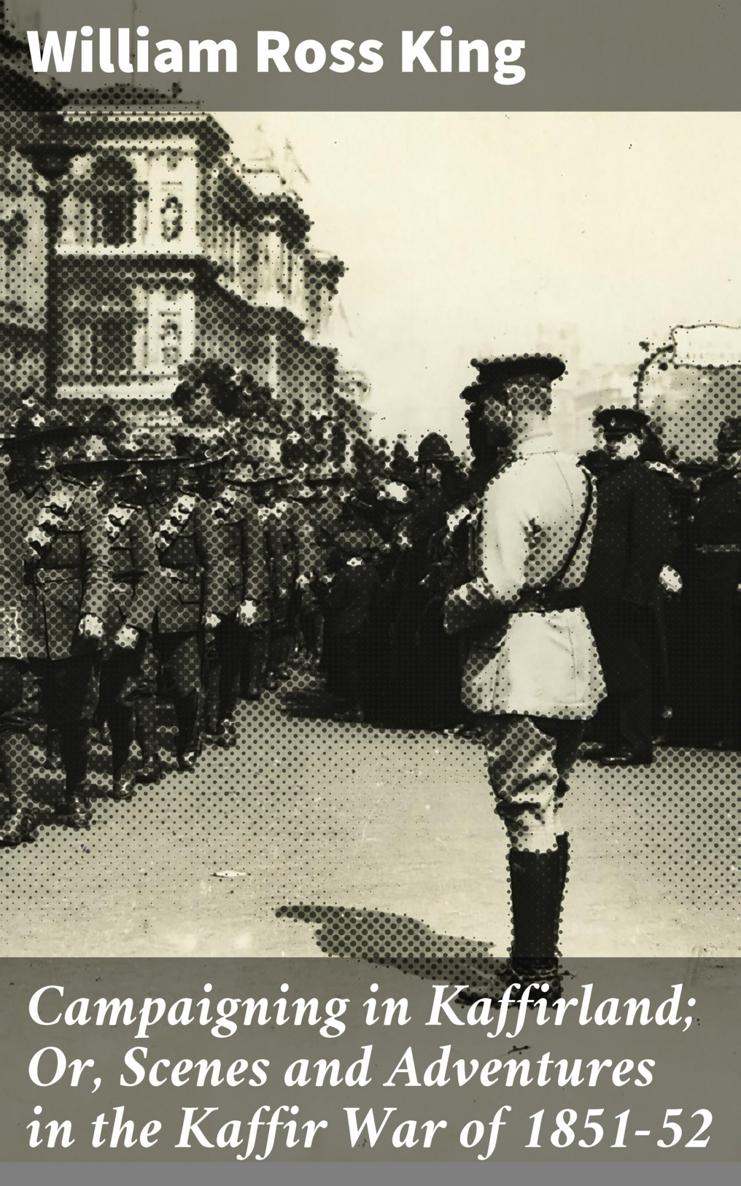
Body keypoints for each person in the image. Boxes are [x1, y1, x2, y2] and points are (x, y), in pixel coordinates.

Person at [444, 353, 604, 1003]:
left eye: (482, 407)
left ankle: (531, 973)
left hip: (520, 660)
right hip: (572, 652)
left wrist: (450, 608)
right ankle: (538, 961)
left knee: (524, 810)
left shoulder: (509, 484)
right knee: (551, 803)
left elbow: (502, 584)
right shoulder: (579, 476)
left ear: (508, 406)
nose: (477, 419)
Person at [0, 404, 112, 830]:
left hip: (70, 624)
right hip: (16, 622)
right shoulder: (6, 497)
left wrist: (93, 611)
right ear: (21, 452)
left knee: (73, 716)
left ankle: (76, 791)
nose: (44, 453)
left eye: (50, 444)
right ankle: (19, 808)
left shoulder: (80, 500)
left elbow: (99, 564)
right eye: (34, 446)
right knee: (13, 713)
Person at [582, 406, 673, 766]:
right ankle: (615, 737)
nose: (612, 445)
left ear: (638, 441)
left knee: (631, 667)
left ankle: (636, 744)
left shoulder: (644, 481)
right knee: (610, 665)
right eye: (609, 438)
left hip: (625, 593)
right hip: (602, 592)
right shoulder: (607, 480)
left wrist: (635, 594)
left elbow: (651, 544)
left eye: (621, 439)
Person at [137, 433, 220, 773]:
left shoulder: (193, 506)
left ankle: (188, 740)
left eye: (165, 468)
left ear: (174, 470)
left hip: (185, 608)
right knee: (143, 685)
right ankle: (148, 756)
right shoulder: (133, 507)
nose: (158, 474)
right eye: (152, 468)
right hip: (142, 608)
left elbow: (213, 559)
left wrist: (212, 608)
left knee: (186, 687)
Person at [95, 451, 163, 795]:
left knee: (123, 696)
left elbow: (151, 577)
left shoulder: (131, 519)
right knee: (78, 697)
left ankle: (122, 766)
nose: (96, 484)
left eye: (102, 477)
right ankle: (70, 782)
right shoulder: (68, 517)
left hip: (120, 617)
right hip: (77, 618)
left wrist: (134, 623)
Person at [688, 415, 741, 749]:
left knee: (734, 655)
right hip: (707, 577)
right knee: (713, 654)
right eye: (724, 449)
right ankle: (715, 725)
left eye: (734, 450)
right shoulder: (714, 483)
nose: (728, 456)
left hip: (733, 577)